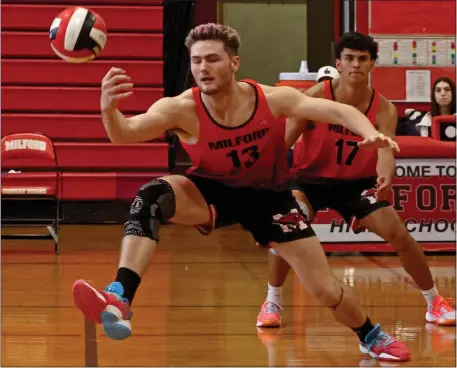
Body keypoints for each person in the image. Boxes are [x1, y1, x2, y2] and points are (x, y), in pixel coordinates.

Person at [72, 23, 410, 361]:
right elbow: (125, 133)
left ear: (234, 63)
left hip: (271, 198)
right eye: (197, 60)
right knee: (149, 197)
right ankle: (120, 296)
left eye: (213, 59)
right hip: (212, 191)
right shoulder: (180, 108)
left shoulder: (272, 98)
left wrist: (371, 133)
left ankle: (370, 334)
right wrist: (108, 111)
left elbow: (337, 110)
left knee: (325, 289)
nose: (203, 68)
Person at [256, 31, 456, 330]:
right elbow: (285, 141)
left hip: (357, 184)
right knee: (290, 224)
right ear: (339, 63)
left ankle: (434, 302)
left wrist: (385, 178)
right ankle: (272, 301)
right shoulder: (314, 96)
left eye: (362, 59)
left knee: (399, 235)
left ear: (372, 64)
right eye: (349, 58)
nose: (355, 65)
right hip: (308, 180)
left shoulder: (385, 108)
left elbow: (385, 152)